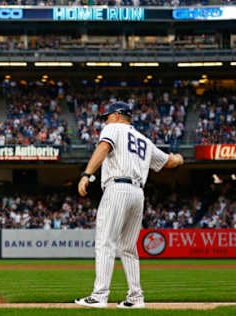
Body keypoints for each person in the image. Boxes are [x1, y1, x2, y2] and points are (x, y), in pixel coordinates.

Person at [75, 102, 184, 309]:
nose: (105, 120)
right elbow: (168, 162)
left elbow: (104, 147)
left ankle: (99, 296)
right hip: (137, 193)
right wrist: (179, 159)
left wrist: (87, 174)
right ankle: (136, 297)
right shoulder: (143, 139)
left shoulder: (113, 128)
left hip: (118, 188)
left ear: (117, 115)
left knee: (105, 242)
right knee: (128, 248)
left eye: (107, 116)